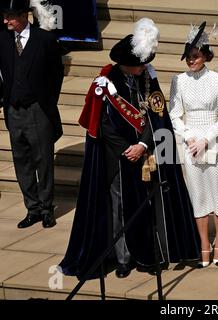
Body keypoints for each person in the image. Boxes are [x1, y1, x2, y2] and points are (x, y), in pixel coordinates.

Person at [60, 18, 200, 279]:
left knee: (146, 206)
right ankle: (123, 259)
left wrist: (144, 144)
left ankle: (149, 255)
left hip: (146, 153)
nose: (143, 68)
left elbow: (157, 115)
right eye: (139, 65)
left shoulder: (148, 77)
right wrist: (129, 149)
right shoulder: (106, 81)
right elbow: (103, 125)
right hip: (118, 158)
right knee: (121, 210)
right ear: (127, 64)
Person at [169, 22, 218, 268]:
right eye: (187, 57)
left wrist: (206, 139)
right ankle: (203, 244)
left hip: (213, 138)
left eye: (194, 57)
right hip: (190, 141)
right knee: (198, 193)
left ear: (206, 55)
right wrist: (188, 137)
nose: (190, 61)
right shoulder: (178, 80)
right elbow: (174, 113)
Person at [0, 0, 63, 229]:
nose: (6, 21)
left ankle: (47, 209)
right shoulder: (3, 39)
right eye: (5, 16)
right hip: (13, 110)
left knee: (43, 160)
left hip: (38, 110)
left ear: (24, 16)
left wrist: (46, 102)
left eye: (10, 17)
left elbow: (56, 75)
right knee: (22, 162)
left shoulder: (45, 40)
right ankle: (32, 208)